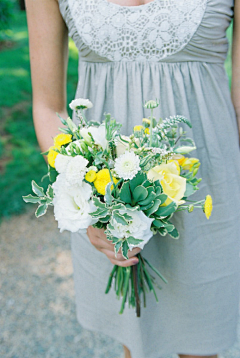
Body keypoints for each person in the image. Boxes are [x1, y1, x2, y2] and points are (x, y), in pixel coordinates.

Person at [25, 0, 240, 357]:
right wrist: (88, 204)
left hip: (207, 195)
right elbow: (49, 107)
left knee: (202, 342)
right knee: (137, 341)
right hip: (104, 195)